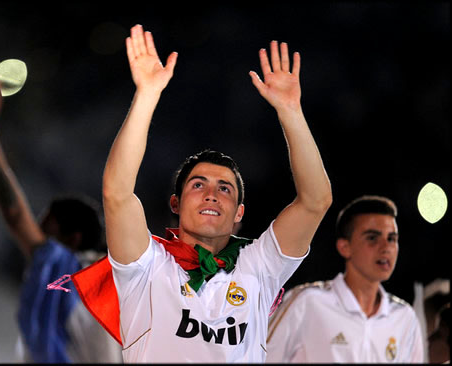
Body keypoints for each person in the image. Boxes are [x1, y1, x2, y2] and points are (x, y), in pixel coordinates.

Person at [84, 23, 332, 363]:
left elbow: (316, 201)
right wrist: (147, 95)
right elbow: (117, 193)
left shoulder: (259, 267)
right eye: (198, 185)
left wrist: (290, 110)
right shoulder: (146, 268)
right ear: (176, 203)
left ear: (239, 213)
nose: (211, 194)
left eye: (225, 189)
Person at [0, 77, 122, 363]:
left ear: (72, 238)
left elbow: (15, 214)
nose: (38, 227)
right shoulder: (108, 281)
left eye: (48, 223)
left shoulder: (65, 270)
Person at [266, 195, 424, 363]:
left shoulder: (404, 317)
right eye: (372, 238)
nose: (386, 248)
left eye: (392, 239)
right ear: (344, 247)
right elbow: (262, 357)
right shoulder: (307, 302)